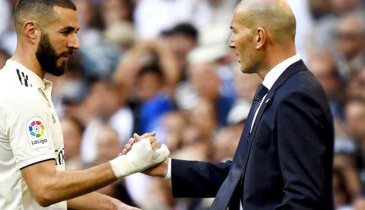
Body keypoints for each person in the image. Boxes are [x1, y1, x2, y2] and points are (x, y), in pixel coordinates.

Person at [125, 0, 335, 209]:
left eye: (235, 31)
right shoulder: (275, 90)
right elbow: (242, 175)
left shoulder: (295, 95)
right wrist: (166, 168)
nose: (231, 43)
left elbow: (303, 199)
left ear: (259, 37)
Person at [0, 0, 169, 209]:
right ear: (31, 31)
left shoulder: (3, 80)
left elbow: (37, 186)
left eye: (76, 32)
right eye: (66, 32)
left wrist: (116, 206)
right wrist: (128, 164)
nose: (75, 43)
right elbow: (46, 189)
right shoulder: (23, 95)